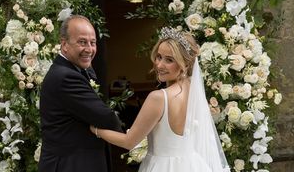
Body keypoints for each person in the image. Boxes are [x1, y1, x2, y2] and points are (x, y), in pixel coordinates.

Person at [90, 27, 230, 172]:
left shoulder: (158, 98)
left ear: (185, 64)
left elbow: (129, 141)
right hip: (193, 165)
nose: (159, 65)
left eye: (169, 60)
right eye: (158, 56)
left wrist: (95, 130)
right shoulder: (193, 89)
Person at [39, 14, 122, 172]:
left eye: (93, 43)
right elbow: (107, 119)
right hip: (71, 165)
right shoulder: (66, 77)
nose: (89, 49)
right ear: (64, 45)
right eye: (82, 42)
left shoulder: (75, 69)